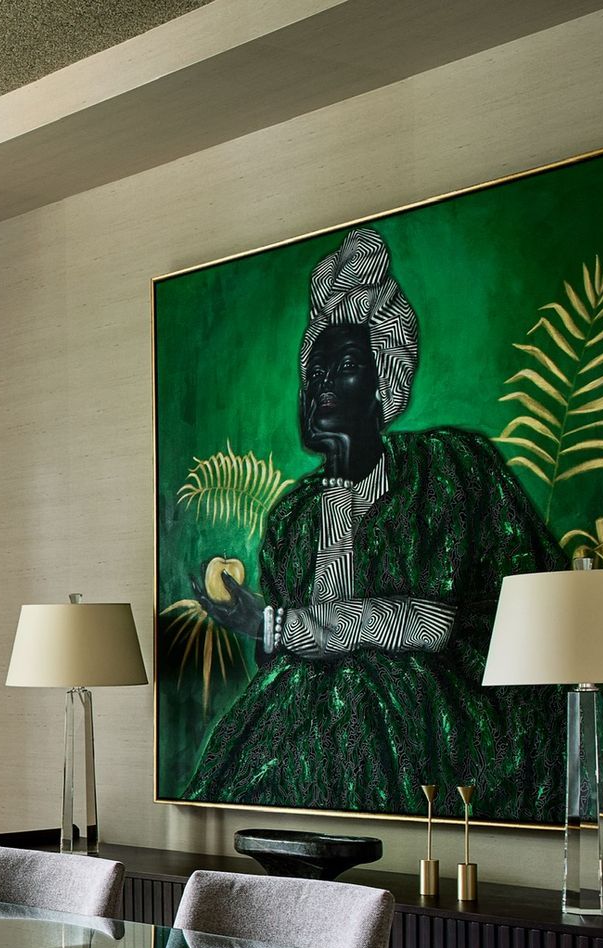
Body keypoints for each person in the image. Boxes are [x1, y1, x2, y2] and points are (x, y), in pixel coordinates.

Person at [184, 227, 564, 822]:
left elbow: (429, 624)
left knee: (345, 690)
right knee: (312, 691)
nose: (322, 384)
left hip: (447, 724)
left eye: (348, 366)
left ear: (384, 380)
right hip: (328, 739)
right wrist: (274, 624)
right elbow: (304, 653)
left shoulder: (448, 470)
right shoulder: (294, 517)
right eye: (314, 369)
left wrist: (278, 624)